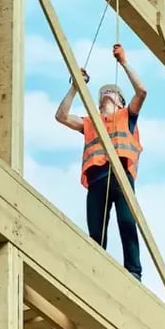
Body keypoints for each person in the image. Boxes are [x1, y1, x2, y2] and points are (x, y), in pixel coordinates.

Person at [54, 44, 147, 281]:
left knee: (127, 223)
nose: (107, 93)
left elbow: (142, 91)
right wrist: (75, 88)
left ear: (121, 102)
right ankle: (94, 274)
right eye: (103, 92)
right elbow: (61, 116)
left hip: (120, 176)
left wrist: (124, 62)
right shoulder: (91, 122)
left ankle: (134, 273)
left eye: (112, 92)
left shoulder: (127, 116)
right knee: (95, 231)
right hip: (98, 179)